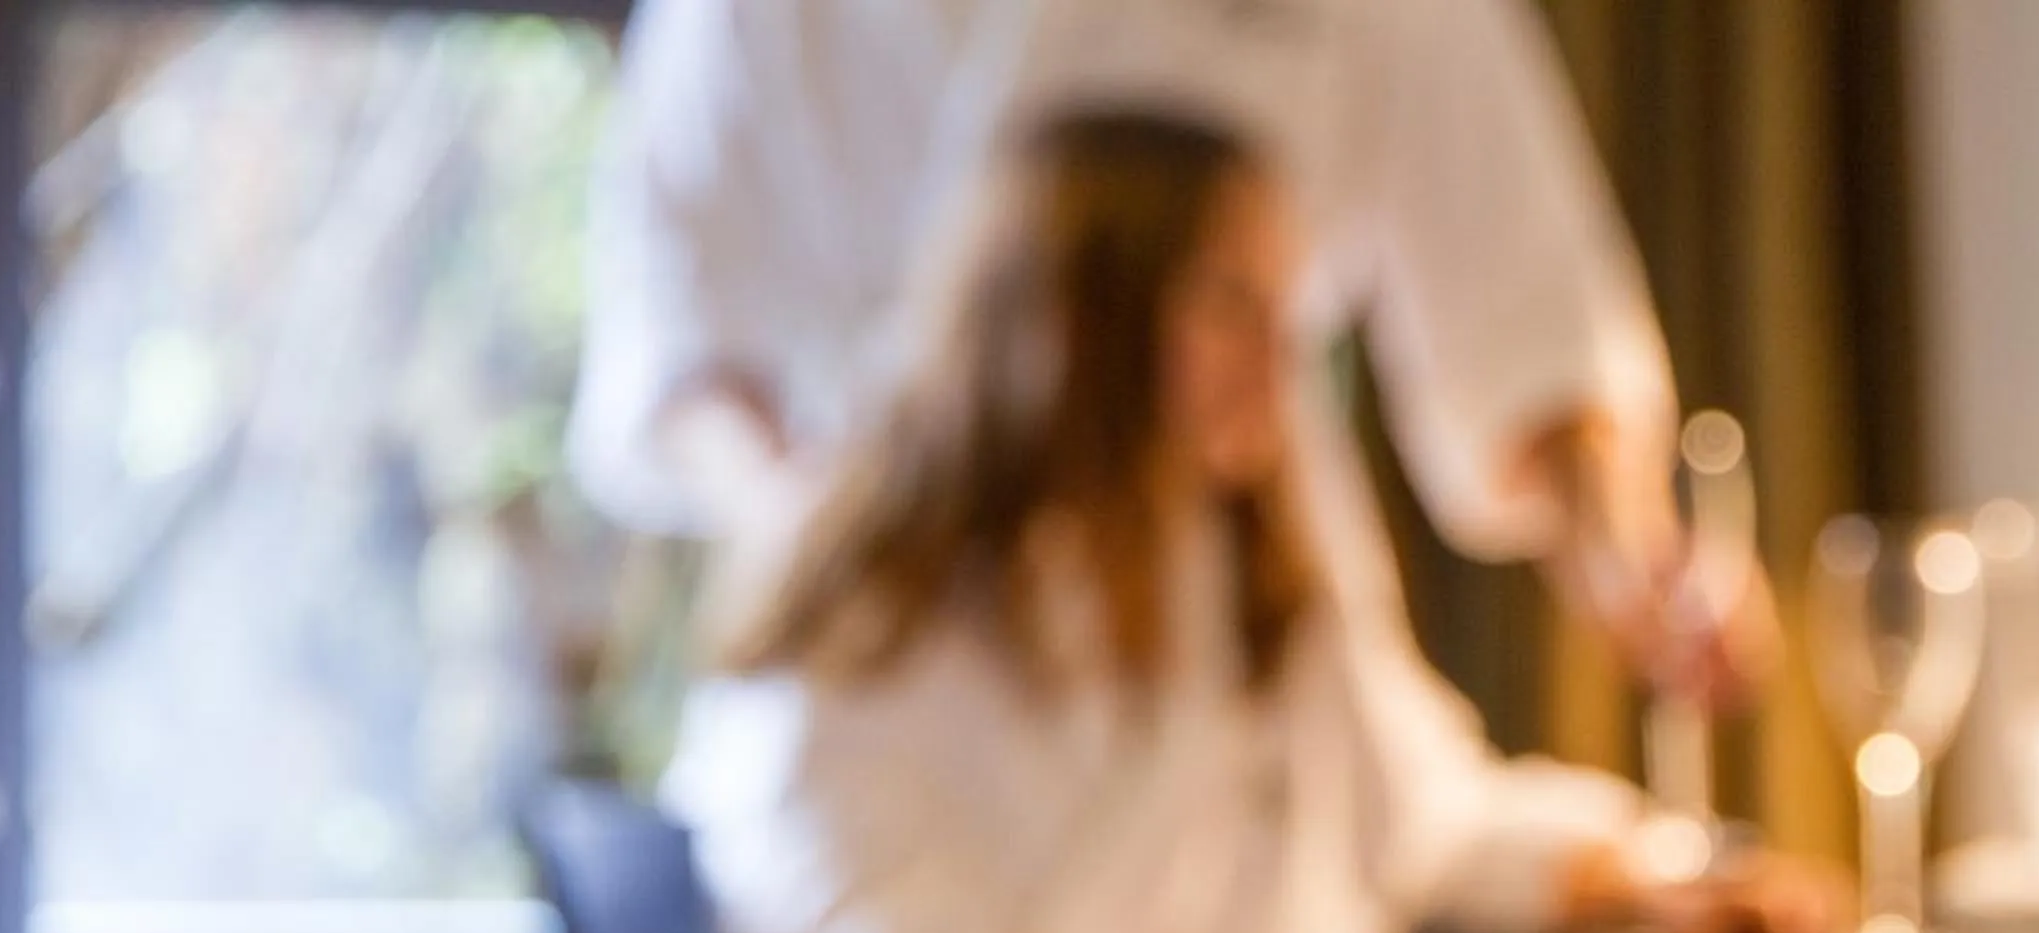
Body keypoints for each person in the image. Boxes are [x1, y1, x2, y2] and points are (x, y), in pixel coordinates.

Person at [669, 114, 1830, 933]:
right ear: (1077, 313)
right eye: (1228, 298)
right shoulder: (862, 630)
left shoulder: (1244, 593)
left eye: (1287, 301)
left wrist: (1660, 874)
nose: (1278, 347)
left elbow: (1423, 816)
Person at [572, 0, 1776, 705]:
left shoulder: (1296, 705)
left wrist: (1632, 564)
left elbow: (1523, 305)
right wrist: (862, 563)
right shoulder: (748, 24)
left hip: (1228, 669)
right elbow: (686, 342)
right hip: (892, 654)